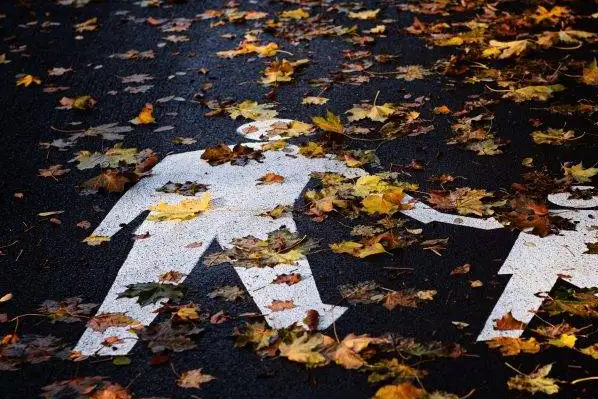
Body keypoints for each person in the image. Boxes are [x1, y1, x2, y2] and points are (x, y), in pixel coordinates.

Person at [76, 119, 501, 356]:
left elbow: (143, 193)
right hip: (233, 223)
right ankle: (103, 341)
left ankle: (105, 342)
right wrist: (107, 229)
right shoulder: (288, 156)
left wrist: (106, 231)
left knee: (280, 285)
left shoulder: (283, 158)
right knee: (273, 277)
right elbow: (145, 191)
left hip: (217, 223)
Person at [477, 185, 598, 341]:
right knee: (520, 296)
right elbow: (492, 223)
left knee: (520, 295)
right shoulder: (547, 215)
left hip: (566, 262)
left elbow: (490, 224)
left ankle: (498, 338)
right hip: (554, 262)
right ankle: (498, 336)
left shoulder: (548, 215)